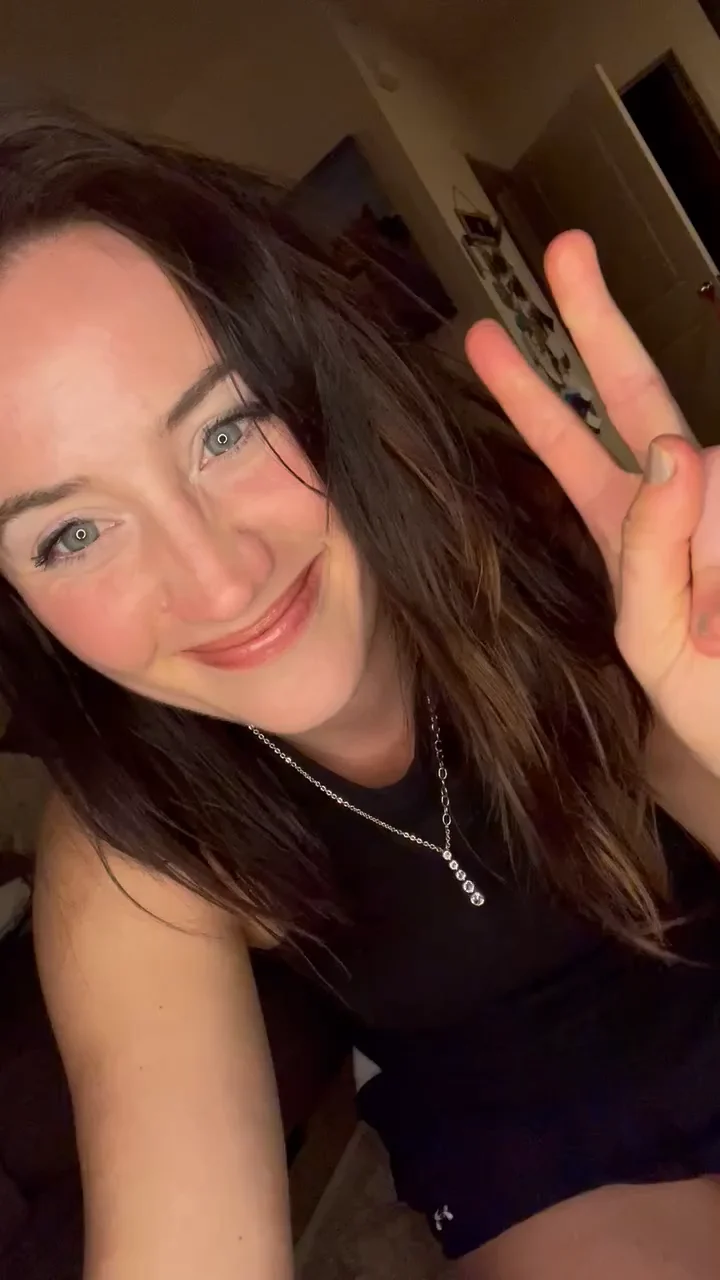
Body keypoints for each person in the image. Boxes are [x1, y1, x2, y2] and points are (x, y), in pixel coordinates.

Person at [1, 100, 720, 1280]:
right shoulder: (140, 842)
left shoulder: (561, 545)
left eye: (227, 428)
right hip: (529, 1132)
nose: (220, 576)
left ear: (315, 381)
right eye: (71, 532)